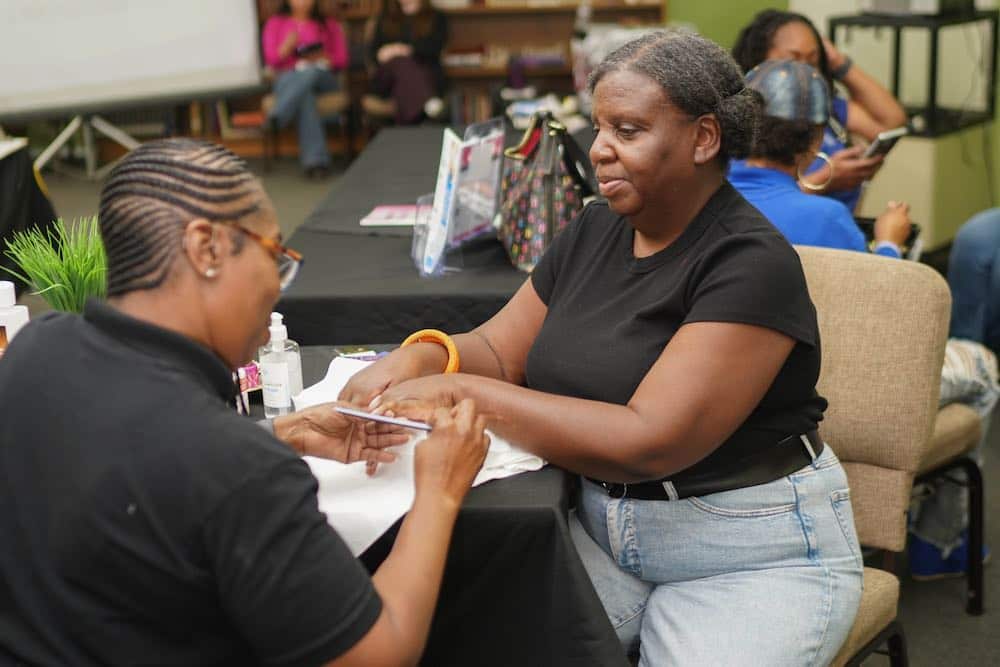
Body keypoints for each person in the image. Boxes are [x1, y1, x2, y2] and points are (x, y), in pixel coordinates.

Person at [340, 30, 863, 664]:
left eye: (629, 130)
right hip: (604, 531)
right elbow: (501, 352)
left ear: (703, 138)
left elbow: (647, 441)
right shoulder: (595, 227)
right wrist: (420, 355)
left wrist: (456, 389)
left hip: (749, 552)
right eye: (599, 127)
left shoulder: (750, 262)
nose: (599, 150)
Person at [0, 138, 490, 665]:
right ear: (206, 249)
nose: (278, 288)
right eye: (273, 254)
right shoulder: (239, 471)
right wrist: (439, 491)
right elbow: (378, 653)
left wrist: (280, 433)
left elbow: (115, 458)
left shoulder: (30, 351)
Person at [731, 61, 997, 581]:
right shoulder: (826, 217)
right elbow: (881, 322)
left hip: (749, 396)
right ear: (813, 143)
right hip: (838, 390)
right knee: (982, 366)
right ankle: (936, 543)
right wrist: (892, 243)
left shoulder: (711, 199)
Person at [728, 59, 913, 259]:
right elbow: (874, 289)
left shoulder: (701, 198)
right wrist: (889, 243)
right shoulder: (827, 218)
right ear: (816, 140)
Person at [733, 9, 908, 212]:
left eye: (813, 60)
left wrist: (839, 62)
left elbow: (893, 120)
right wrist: (823, 180)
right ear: (760, 62)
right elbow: (750, 208)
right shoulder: (746, 119)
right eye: (794, 59)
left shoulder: (826, 107)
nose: (806, 71)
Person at [262, 0, 349, 178]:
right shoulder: (275, 23)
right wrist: (286, 48)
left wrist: (325, 57)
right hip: (289, 78)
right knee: (304, 95)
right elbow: (271, 60)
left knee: (311, 71)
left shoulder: (328, 24)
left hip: (323, 78)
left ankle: (279, 114)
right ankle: (316, 163)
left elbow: (342, 59)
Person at [367, 0, 447, 125]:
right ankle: (427, 104)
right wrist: (386, 53)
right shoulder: (385, 17)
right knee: (401, 63)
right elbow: (373, 54)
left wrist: (407, 50)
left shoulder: (437, 17)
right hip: (387, 79)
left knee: (405, 77)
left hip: (425, 74)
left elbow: (434, 49)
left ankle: (408, 125)